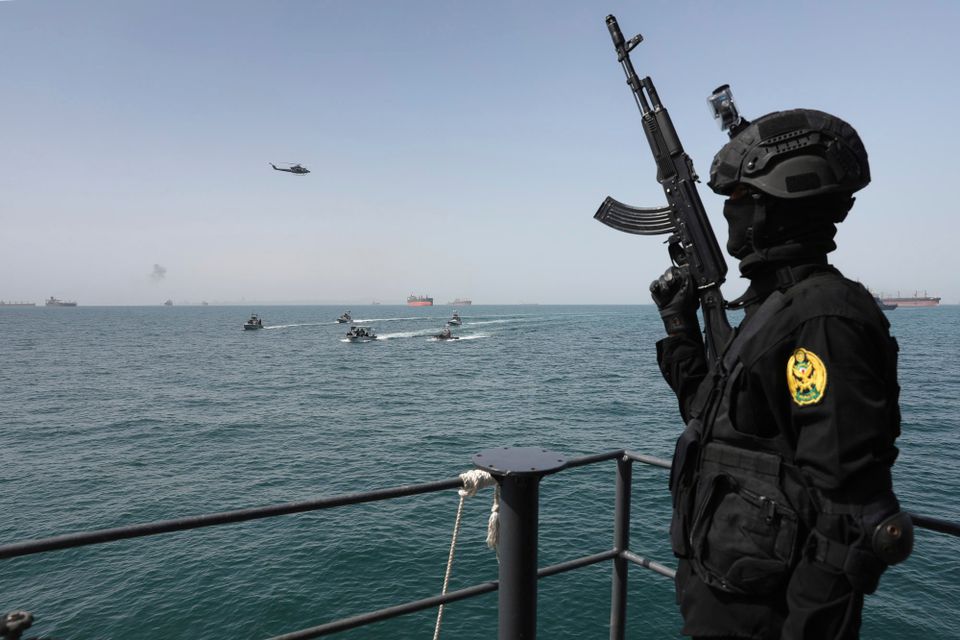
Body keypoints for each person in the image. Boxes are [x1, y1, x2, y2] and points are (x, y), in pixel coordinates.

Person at [650, 108, 912, 639]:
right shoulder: (775, 313)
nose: (729, 211)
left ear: (776, 206)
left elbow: (849, 521)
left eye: (738, 198)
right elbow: (715, 419)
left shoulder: (825, 321)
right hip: (723, 608)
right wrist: (680, 329)